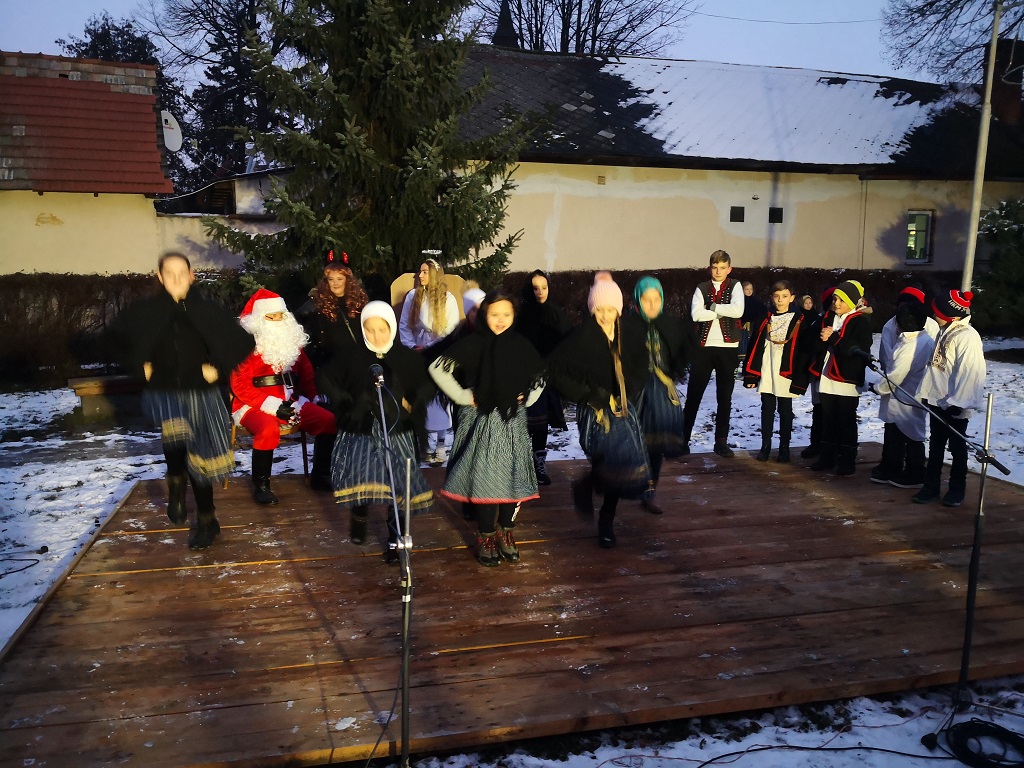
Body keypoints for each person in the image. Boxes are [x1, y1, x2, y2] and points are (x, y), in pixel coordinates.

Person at [111, 253, 253, 550]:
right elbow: (118, 342)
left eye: (181, 272)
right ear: (160, 277)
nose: (176, 279)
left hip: (200, 392)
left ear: (191, 275)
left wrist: (217, 367)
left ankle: (207, 519)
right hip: (165, 391)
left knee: (199, 458)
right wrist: (140, 366)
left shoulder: (205, 310)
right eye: (169, 273)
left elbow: (241, 342)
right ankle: (176, 482)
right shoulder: (148, 313)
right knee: (176, 445)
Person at [429, 290, 547, 566]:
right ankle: (486, 536)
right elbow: (437, 368)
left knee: (513, 477)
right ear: (484, 315)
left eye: (506, 314)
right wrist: (462, 395)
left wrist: (528, 397)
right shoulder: (474, 343)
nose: (500, 320)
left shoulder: (520, 345)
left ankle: (506, 531)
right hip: (482, 419)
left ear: (514, 316)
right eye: (494, 314)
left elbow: (540, 375)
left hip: (512, 421)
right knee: (487, 478)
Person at [316, 301, 436, 564]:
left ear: (391, 328)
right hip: (361, 428)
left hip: (397, 429)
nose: (376, 336)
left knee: (398, 483)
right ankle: (359, 514)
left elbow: (426, 384)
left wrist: (412, 400)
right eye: (370, 330)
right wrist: (345, 400)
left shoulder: (405, 357)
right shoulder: (352, 355)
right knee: (362, 475)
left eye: (382, 329)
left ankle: (396, 540)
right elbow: (325, 377)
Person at [550, 276, 650, 549]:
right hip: (594, 410)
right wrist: (591, 394)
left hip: (622, 407)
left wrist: (628, 389)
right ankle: (588, 487)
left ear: (619, 309)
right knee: (608, 460)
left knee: (618, 462)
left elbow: (641, 367)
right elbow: (557, 372)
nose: (605, 315)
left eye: (610, 309)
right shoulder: (582, 337)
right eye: (600, 310)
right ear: (592, 309)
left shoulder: (628, 335)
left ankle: (606, 519)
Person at [230, 289, 338, 503]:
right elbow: (239, 384)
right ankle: (262, 485)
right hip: (253, 405)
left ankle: (320, 475)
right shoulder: (246, 347)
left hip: (291, 402)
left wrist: (314, 398)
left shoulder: (292, 344)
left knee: (328, 421)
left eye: (281, 315)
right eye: (272, 317)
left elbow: (307, 375)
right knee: (268, 428)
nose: (278, 321)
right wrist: (272, 406)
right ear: (258, 319)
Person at [913, 290, 987, 507]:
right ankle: (931, 486)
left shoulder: (967, 336)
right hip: (938, 398)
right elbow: (936, 366)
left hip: (955, 403)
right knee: (936, 445)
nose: (933, 315)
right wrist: (926, 392)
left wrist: (959, 402)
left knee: (957, 446)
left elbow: (971, 371)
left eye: (937, 312)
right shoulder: (945, 330)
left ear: (950, 315)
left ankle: (957, 488)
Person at [869, 286, 939, 487]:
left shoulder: (911, 345)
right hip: (904, 391)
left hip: (907, 392)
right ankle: (893, 465)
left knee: (909, 432)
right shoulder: (907, 335)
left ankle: (914, 471)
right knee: (897, 430)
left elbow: (897, 371)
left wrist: (880, 387)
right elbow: (887, 357)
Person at [633, 275, 690, 514]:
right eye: (647, 300)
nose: (652, 305)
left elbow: (681, 351)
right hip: (635, 393)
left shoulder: (669, 324)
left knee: (655, 444)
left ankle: (650, 491)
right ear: (638, 300)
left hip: (660, 392)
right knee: (633, 442)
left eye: (656, 299)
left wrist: (677, 367)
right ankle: (627, 485)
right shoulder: (629, 326)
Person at [682, 250, 745, 457]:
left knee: (724, 397)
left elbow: (738, 311)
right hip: (704, 346)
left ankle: (721, 442)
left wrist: (713, 306)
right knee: (694, 396)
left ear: (729, 269)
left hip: (728, 348)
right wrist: (721, 311)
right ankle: (682, 440)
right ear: (710, 268)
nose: (718, 271)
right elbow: (696, 314)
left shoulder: (735, 286)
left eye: (722, 268)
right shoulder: (702, 287)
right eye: (715, 267)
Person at [808, 280, 872, 476]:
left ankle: (847, 459)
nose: (836, 303)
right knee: (827, 419)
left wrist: (834, 338)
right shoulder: (829, 318)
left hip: (847, 379)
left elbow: (858, 350)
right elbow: (815, 343)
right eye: (835, 299)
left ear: (851, 302)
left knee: (846, 421)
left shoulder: (861, 322)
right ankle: (827, 456)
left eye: (841, 300)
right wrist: (821, 338)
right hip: (827, 377)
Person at [399, 257, 460, 465]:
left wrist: (432, 348)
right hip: (417, 350)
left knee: (439, 400)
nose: (420, 275)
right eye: (420, 271)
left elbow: (450, 329)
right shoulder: (412, 296)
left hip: (438, 351)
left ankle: (441, 444)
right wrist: (412, 346)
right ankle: (424, 443)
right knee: (420, 398)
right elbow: (404, 325)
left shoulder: (447, 299)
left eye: (425, 271)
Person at [742, 280, 809, 462]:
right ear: (772, 298)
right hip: (767, 368)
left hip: (785, 371)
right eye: (777, 296)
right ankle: (765, 446)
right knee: (767, 408)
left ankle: (784, 448)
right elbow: (754, 346)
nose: (780, 300)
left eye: (784, 296)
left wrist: (801, 376)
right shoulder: (765, 319)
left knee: (785, 410)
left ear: (792, 298)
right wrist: (751, 375)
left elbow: (804, 349)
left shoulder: (799, 319)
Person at [517, 270, 573, 485]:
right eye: (535, 288)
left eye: (544, 287)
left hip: (547, 377)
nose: (540, 292)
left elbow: (568, 341)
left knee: (541, 424)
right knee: (524, 423)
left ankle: (539, 464)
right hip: (525, 375)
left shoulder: (556, 314)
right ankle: (523, 465)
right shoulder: (522, 315)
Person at [295, 253, 369, 368]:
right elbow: (297, 319)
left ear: (347, 280)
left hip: (357, 359)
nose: (335, 283)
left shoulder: (359, 302)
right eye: (331, 279)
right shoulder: (317, 302)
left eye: (339, 279)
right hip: (330, 362)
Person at [800, 287, 835, 459]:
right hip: (819, 370)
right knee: (819, 408)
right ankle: (816, 443)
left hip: (836, 372)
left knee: (832, 412)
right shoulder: (820, 320)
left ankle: (830, 446)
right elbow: (809, 342)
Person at [738, 281, 768, 372]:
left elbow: (762, 313)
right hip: (742, 326)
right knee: (742, 344)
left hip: (754, 325)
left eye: (751, 289)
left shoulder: (756, 301)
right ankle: (739, 363)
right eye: (747, 289)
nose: (749, 291)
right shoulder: (739, 300)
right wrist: (744, 320)